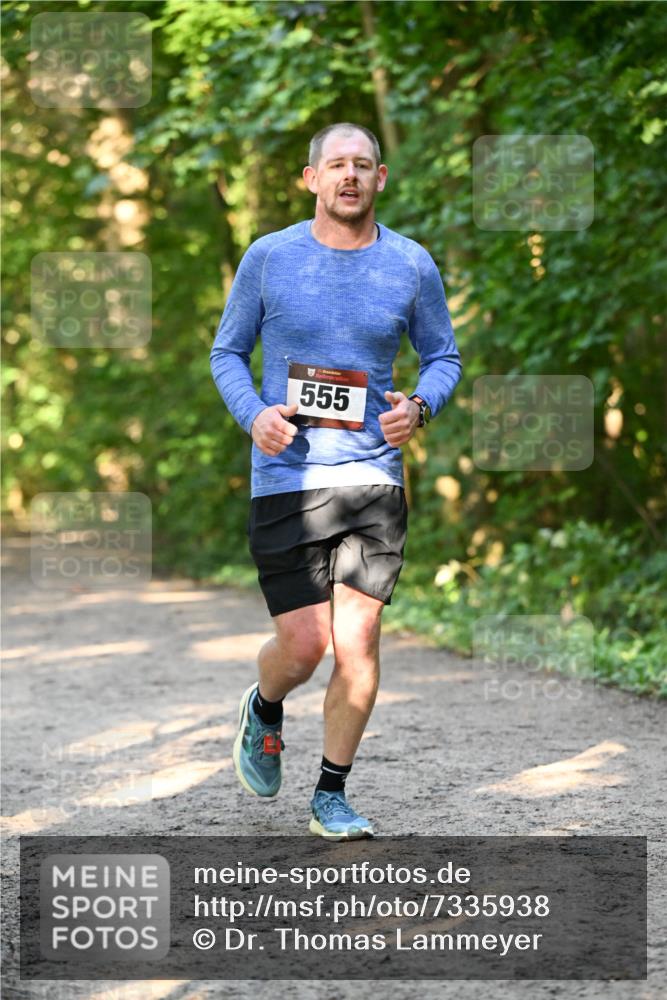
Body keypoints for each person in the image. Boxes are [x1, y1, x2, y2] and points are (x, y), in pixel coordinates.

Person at [210, 122, 462, 840]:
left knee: (358, 640)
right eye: (336, 165)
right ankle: (263, 706)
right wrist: (254, 414)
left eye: (362, 165)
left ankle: (331, 793)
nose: (348, 176)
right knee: (304, 646)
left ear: (380, 179)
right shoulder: (269, 258)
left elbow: (443, 356)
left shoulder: (411, 265)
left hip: (372, 478)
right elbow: (227, 351)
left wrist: (417, 406)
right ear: (311, 178)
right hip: (286, 476)